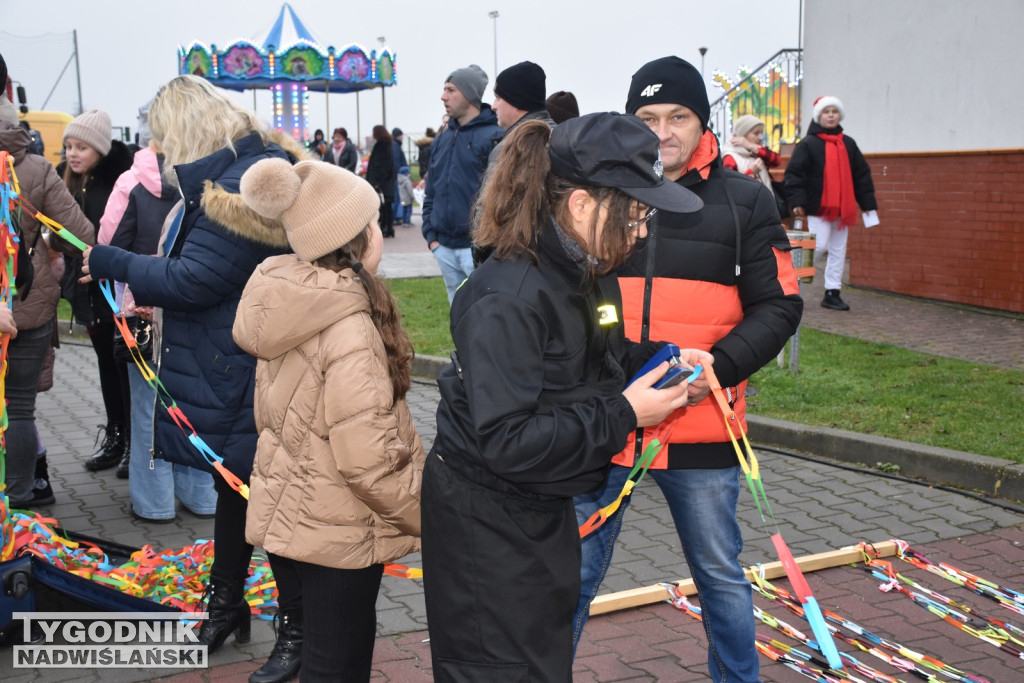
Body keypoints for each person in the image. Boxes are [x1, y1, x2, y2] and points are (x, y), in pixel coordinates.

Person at [421, 112, 706, 682]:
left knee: (541, 662)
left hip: (541, 503)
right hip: (487, 521)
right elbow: (509, 440)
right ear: (580, 205)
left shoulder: (587, 271)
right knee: (499, 671)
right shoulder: (506, 299)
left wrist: (670, 364)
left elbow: (604, 355)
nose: (642, 231)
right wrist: (627, 413)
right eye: (635, 214)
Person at [572, 57, 804, 683]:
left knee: (720, 577)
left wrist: (718, 370)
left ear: (702, 122)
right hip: (609, 422)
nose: (662, 131)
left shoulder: (745, 200)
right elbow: (578, 300)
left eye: (678, 116)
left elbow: (780, 305)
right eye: (647, 118)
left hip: (703, 426)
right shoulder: (603, 198)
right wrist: (604, 373)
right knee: (571, 574)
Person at [80, 74, 307, 655]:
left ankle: (296, 630)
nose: (158, 148)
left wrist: (115, 262)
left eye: (162, 135)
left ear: (185, 128)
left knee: (261, 498)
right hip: (238, 358)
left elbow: (194, 279)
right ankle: (226, 605)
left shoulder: (234, 186)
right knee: (238, 489)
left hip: (243, 363)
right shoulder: (245, 169)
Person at [234, 157, 425, 683]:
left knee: (323, 655)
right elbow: (367, 461)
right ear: (358, 240)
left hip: (296, 516)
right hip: (338, 527)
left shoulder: (293, 301)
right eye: (375, 223)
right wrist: (429, 514)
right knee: (337, 665)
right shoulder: (349, 327)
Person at [97, 106, 218, 519]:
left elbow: (108, 244)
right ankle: (202, 496)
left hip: (143, 310)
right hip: (193, 308)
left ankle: (154, 504)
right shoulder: (210, 180)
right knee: (193, 408)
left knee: (148, 410)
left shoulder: (131, 182)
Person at [1, 119, 94, 508]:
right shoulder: (37, 168)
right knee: (21, 409)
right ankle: (18, 503)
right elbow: (80, 235)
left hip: (19, 306)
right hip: (29, 303)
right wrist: (46, 243)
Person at [58, 109, 135, 473]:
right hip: (85, 289)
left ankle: (134, 442)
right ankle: (115, 435)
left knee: (124, 367)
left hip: (113, 288)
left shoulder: (117, 182)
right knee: (105, 363)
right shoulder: (68, 181)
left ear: (100, 150)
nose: (73, 154)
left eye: (82, 147)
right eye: (69, 146)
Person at [784, 96, 878, 311]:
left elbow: (861, 175)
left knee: (838, 250)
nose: (831, 115)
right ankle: (791, 277)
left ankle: (832, 292)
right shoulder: (807, 144)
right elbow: (795, 174)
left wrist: (868, 205)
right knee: (819, 245)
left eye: (834, 111)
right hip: (818, 206)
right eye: (826, 112)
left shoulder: (849, 144)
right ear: (819, 116)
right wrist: (797, 200)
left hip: (843, 209)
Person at [420, 64, 503, 303]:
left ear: (469, 94)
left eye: (451, 90)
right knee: (457, 312)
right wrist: (432, 237)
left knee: (486, 312)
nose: (443, 96)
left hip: (477, 248)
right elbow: (431, 191)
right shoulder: (442, 139)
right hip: (443, 247)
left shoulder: (495, 137)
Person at [489, 60, 555, 164]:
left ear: (516, 101)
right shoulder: (564, 139)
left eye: (498, 98)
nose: (493, 107)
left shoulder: (509, 151)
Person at [721, 114, 781, 190]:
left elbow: (777, 160)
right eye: (756, 133)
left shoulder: (755, 150)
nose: (761, 137)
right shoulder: (730, 157)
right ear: (743, 134)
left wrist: (750, 146)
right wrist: (751, 173)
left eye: (761, 133)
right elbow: (729, 188)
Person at [365, 125, 396, 238]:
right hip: (387, 182)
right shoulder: (388, 145)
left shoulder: (381, 146)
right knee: (387, 206)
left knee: (383, 206)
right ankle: (389, 227)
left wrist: (376, 182)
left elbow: (380, 166)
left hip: (381, 182)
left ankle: (385, 227)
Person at [390, 127, 408, 222]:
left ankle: (396, 216)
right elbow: (396, 161)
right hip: (398, 176)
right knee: (397, 197)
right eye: (401, 135)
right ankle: (395, 217)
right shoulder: (395, 146)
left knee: (397, 196)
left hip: (396, 175)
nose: (402, 137)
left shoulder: (394, 145)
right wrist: (400, 174)